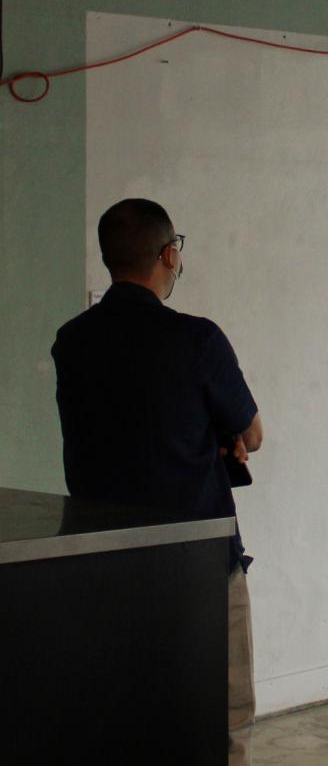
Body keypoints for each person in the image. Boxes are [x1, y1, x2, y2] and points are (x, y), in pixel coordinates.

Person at [51, 198, 262, 764]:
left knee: (124, 710)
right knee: (224, 712)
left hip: (103, 557)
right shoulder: (197, 340)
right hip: (198, 558)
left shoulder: (71, 341)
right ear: (168, 255)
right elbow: (254, 432)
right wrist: (225, 434)